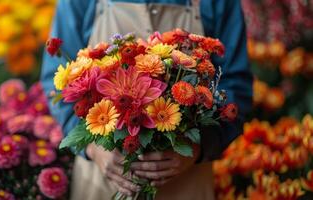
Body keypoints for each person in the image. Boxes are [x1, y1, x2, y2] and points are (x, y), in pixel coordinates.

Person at [41, 0, 253, 199]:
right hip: (101, 180)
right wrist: (93, 149)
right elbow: (57, 83)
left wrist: (199, 147)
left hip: (187, 180)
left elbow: (234, 84)